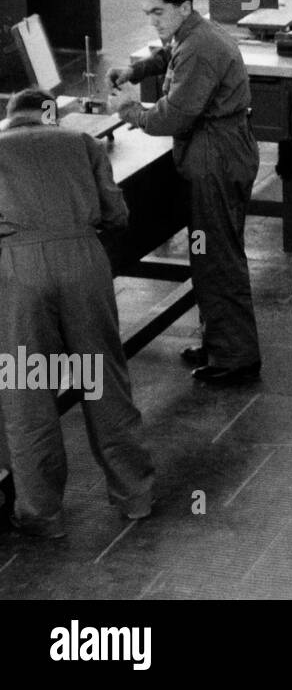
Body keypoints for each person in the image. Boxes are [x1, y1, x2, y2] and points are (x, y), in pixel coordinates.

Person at [0, 89, 154, 538]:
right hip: (84, 263)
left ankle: (42, 515)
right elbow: (117, 214)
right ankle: (135, 497)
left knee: (28, 390)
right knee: (104, 379)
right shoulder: (81, 143)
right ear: (49, 115)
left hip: (18, 270)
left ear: (12, 120)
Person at [109, 0, 261, 385]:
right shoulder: (194, 32)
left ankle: (235, 357)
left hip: (215, 156)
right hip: (219, 149)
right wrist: (138, 71)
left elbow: (172, 116)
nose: (153, 21)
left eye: (158, 12)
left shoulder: (200, 47)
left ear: (183, 5)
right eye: (147, 14)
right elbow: (168, 52)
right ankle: (221, 341)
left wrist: (128, 110)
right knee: (211, 253)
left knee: (217, 258)